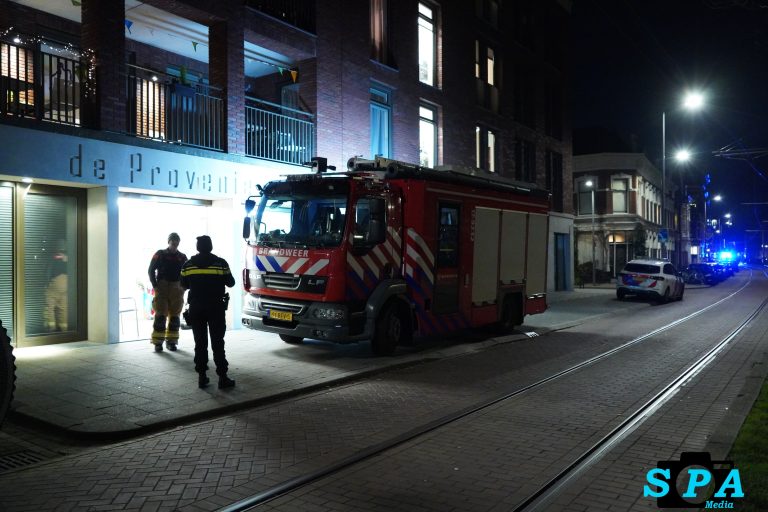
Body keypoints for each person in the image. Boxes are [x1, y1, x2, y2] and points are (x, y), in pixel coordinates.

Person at [180, 235, 236, 389]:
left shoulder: (188, 265)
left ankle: (202, 377)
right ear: (210, 246)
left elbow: (183, 284)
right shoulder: (220, 263)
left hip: (196, 308)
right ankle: (222, 378)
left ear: (198, 247)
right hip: (215, 308)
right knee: (218, 342)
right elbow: (231, 283)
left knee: (200, 343)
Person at [147, 233, 188, 352]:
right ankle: (158, 343)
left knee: (175, 317)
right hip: (162, 287)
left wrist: (184, 287)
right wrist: (155, 285)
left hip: (177, 288)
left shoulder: (183, 257)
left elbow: (188, 272)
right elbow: (150, 270)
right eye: (172, 241)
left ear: (179, 242)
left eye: (176, 241)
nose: (174, 243)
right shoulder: (160, 254)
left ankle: (172, 342)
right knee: (160, 315)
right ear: (168, 242)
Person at [44, 242, 68, 332]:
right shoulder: (68, 257)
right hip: (67, 282)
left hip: (57, 280)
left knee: (49, 305)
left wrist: (46, 283)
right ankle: (64, 328)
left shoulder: (56, 256)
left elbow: (48, 269)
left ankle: (51, 327)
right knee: (63, 307)